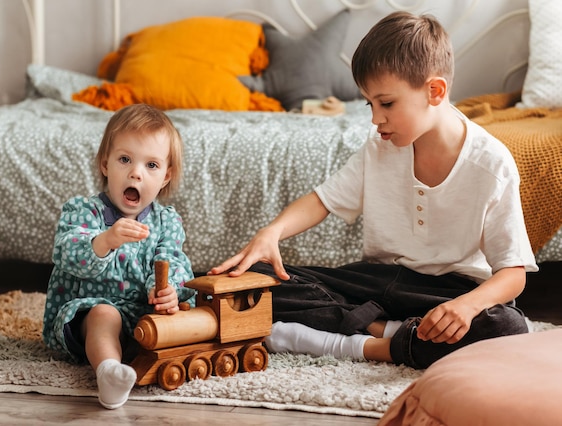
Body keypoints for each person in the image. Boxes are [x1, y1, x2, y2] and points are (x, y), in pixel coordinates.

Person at [209, 11, 538, 369]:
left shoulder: (492, 164)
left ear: (435, 91)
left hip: (445, 290)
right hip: (377, 284)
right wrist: (271, 232)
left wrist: (467, 306)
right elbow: (322, 200)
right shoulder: (379, 147)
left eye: (387, 103)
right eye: (369, 103)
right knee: (260, 282)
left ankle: (351, 343)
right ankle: (392, 333)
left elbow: (512, 273)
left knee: (508, 326)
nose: (375, 119)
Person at [43, 103, 195, 409]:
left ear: (166, 176)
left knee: (178, 316)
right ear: (105, 164)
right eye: (125, 159)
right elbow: (67, 252)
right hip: (90, 312)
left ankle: (144, 359)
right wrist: (105, 240)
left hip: (142, 316)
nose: (135, 173)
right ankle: (108, 372)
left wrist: (167, 289)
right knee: (104, 315)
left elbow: (173, 260)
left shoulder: (166, 221)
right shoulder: (85, 212)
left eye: (151, 165)